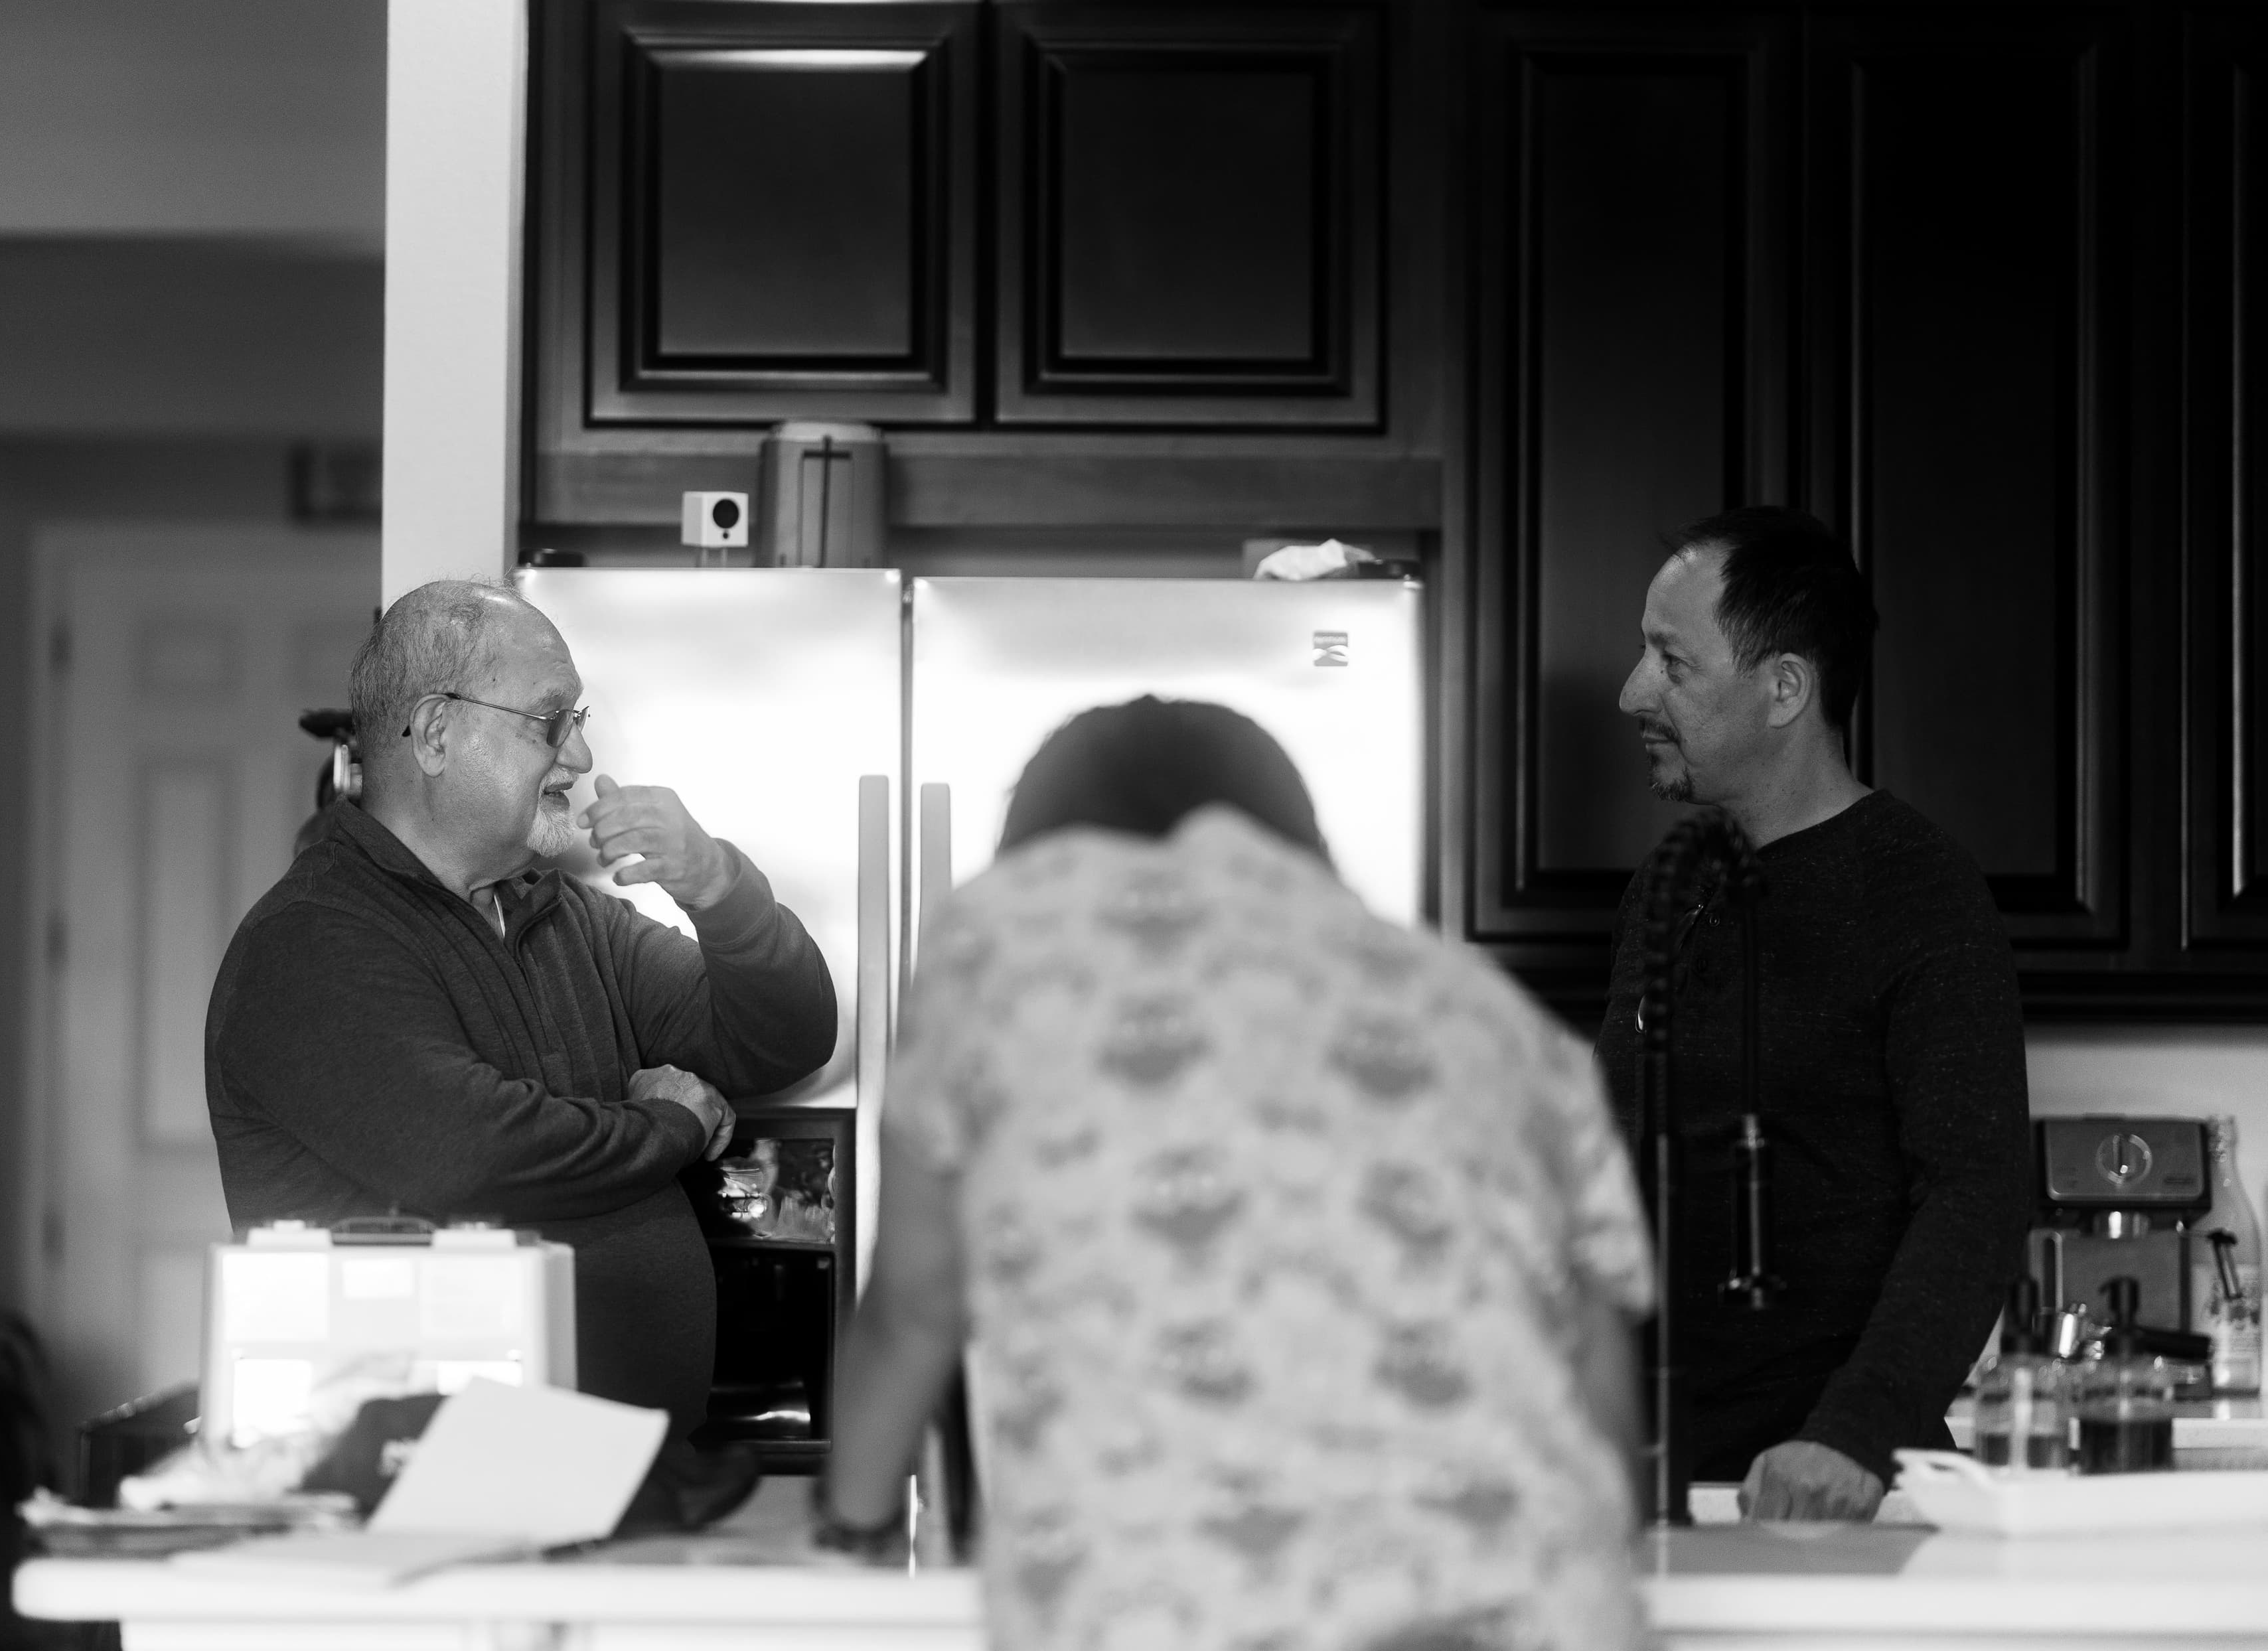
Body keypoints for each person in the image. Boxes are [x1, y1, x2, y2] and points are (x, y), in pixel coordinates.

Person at [825, 697, 1651, 1651]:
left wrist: (856, 1522)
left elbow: (916, 1309)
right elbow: (1603, 1417)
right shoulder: (1494, 1013)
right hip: (1537, 1612)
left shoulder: (1000, 941)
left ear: (1039, 842)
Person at [204, 579, 836, 1437]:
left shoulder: (559, 914)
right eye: (550, 722)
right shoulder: (308, 942)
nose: (578, 760)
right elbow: (468, 1154)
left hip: (601, 1482)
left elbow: (783, 1041)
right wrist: (667, 1124)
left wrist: (720, 889)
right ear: (435, 733)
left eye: (577, 723)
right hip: (421, 1501)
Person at [1597, 508, 2032, 1520]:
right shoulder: (1668, 891)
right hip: (1660, 1491)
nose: (1632, 693)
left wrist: (1853, 1435)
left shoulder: (1917, 891)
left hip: (1822, 1497)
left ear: (1785, 687)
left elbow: (1977, 1197)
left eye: (1671, 660)